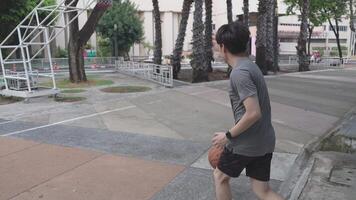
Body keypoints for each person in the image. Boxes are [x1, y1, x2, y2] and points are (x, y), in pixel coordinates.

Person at [211, 21, 284, 200]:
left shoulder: (240, 73)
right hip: (264, 140)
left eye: (216, 45)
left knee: (220, 177)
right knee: (262, 191)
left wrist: (227, 136)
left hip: (247, 143)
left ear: (223, 47)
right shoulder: (250, 66)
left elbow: (253, 113)